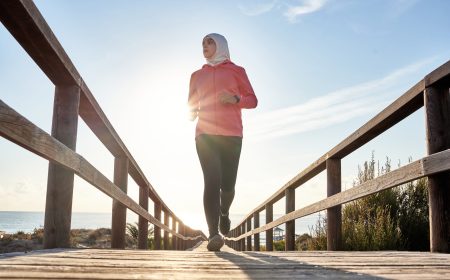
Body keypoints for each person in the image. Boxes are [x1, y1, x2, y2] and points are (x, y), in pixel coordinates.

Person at [188, 33, 258, 251]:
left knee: (228, 186)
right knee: (211, 181)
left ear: (220, 46)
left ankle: (224, 213)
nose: (205, 46)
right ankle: (213, 234)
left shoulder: (237, 71)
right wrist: (192, 113)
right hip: (205, 135)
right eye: (203, 43)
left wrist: (236, 99)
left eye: (210, 42)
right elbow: (190, 104)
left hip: (232, 135)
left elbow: (253, 100)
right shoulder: (196, 75)